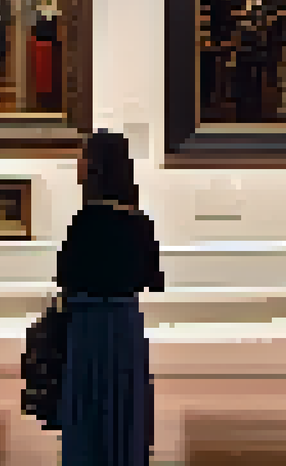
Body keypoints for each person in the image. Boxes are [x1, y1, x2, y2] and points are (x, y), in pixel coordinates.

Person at [53, 130, 163, 466]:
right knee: (123, 405)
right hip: (125, 323)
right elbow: (152, 278)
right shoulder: (138, 221)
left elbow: (67, 275)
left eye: (84, 156)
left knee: (89, 404)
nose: (79, 163)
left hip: (88, 324)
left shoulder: (85, 221)